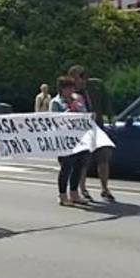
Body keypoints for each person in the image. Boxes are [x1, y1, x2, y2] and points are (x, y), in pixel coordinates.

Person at [68, 65, 116, 202]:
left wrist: (111, 116)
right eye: (76, 79)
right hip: (81, 132)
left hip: (98, 128)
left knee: (104, 156)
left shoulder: (96, 85)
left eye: (82, 78)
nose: (79, 82)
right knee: (83, 161)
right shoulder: (70, 91)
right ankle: (82, 188)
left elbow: (106, 101)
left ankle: (105, 188)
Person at [50, 76, 89, 206]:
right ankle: (62, 195)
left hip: (78, 138)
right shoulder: (56, 102)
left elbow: (84, 114)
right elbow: (54, 119)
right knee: (66, 167)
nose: (71, 90)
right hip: (63, 139)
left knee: (79, 164)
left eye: (73, 87)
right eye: (69, 88)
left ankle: (74, 193)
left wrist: (79, 108)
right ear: (62, 89)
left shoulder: (77, 100)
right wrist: (69, 110)